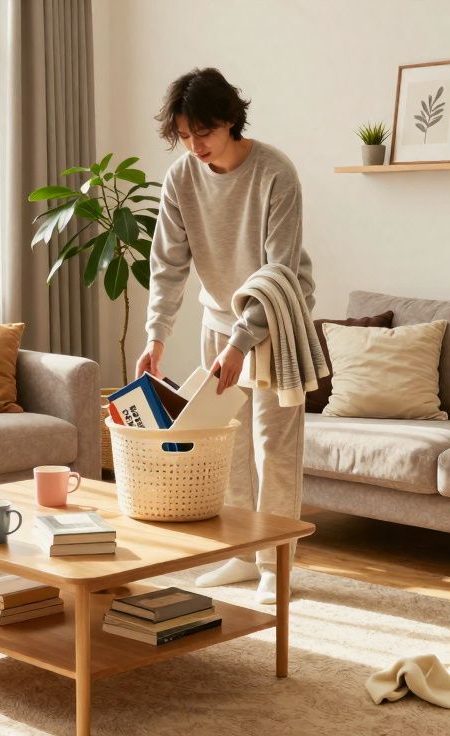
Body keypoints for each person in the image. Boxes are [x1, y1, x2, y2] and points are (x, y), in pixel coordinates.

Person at [136, 68, 314, 605]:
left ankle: (274, 561)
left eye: (204, 135)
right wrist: (156, 338)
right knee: (224, 443)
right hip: (217, 320)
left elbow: (278, 269)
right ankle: (238, 555)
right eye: (185, 137)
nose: (194, 147)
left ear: (231, 120)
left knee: (273, 446)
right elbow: (167, 265)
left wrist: (243, 343)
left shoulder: (275, 173)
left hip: (275, 319)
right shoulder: (181, 178)